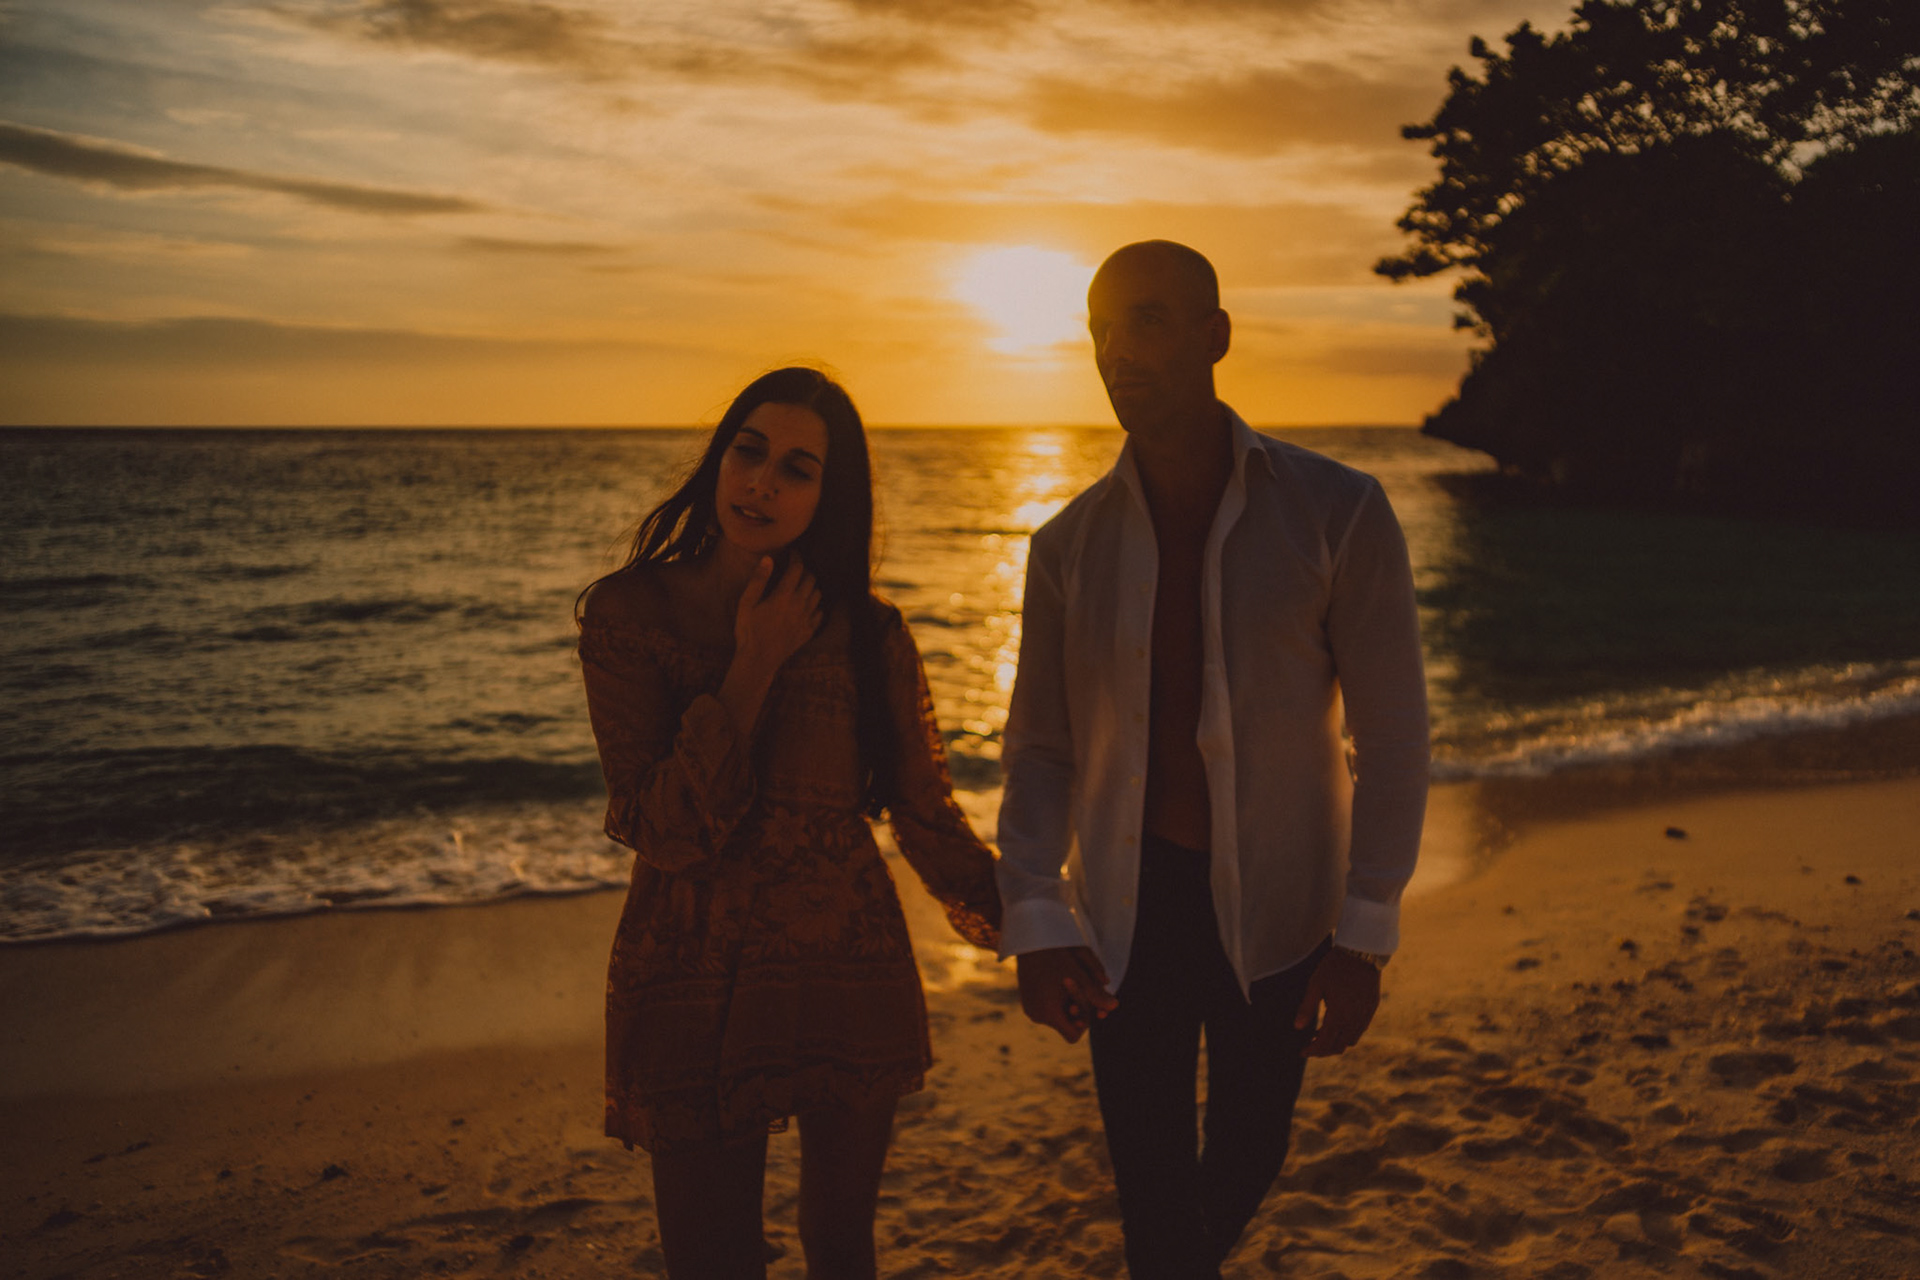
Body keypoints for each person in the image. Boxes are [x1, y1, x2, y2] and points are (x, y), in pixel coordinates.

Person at [996, 241, 1429, 1277]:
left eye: (1145, 320)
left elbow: (1395, 730)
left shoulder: (1338, 510)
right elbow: (1043, 747)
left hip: (1281, 910)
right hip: (1124, 918)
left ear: (1215, 335)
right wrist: (1037, 917)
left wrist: (1364, 932)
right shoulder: (1067, 546)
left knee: (1247, 1151)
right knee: (1150, 1189)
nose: (1117, 351)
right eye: (1100, 329)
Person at [576, 366, 1001, 1280]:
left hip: (843, 961)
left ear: (829, 495)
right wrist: (756, 659)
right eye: (749, 450)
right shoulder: (628, 613)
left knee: (842, 1247)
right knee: (711, 1258)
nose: (762, 482)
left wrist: (1034, 921)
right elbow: (662, 827)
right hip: (687, 968)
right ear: (720, 457)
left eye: (799, 469)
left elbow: (925, 814)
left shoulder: (869, 632)